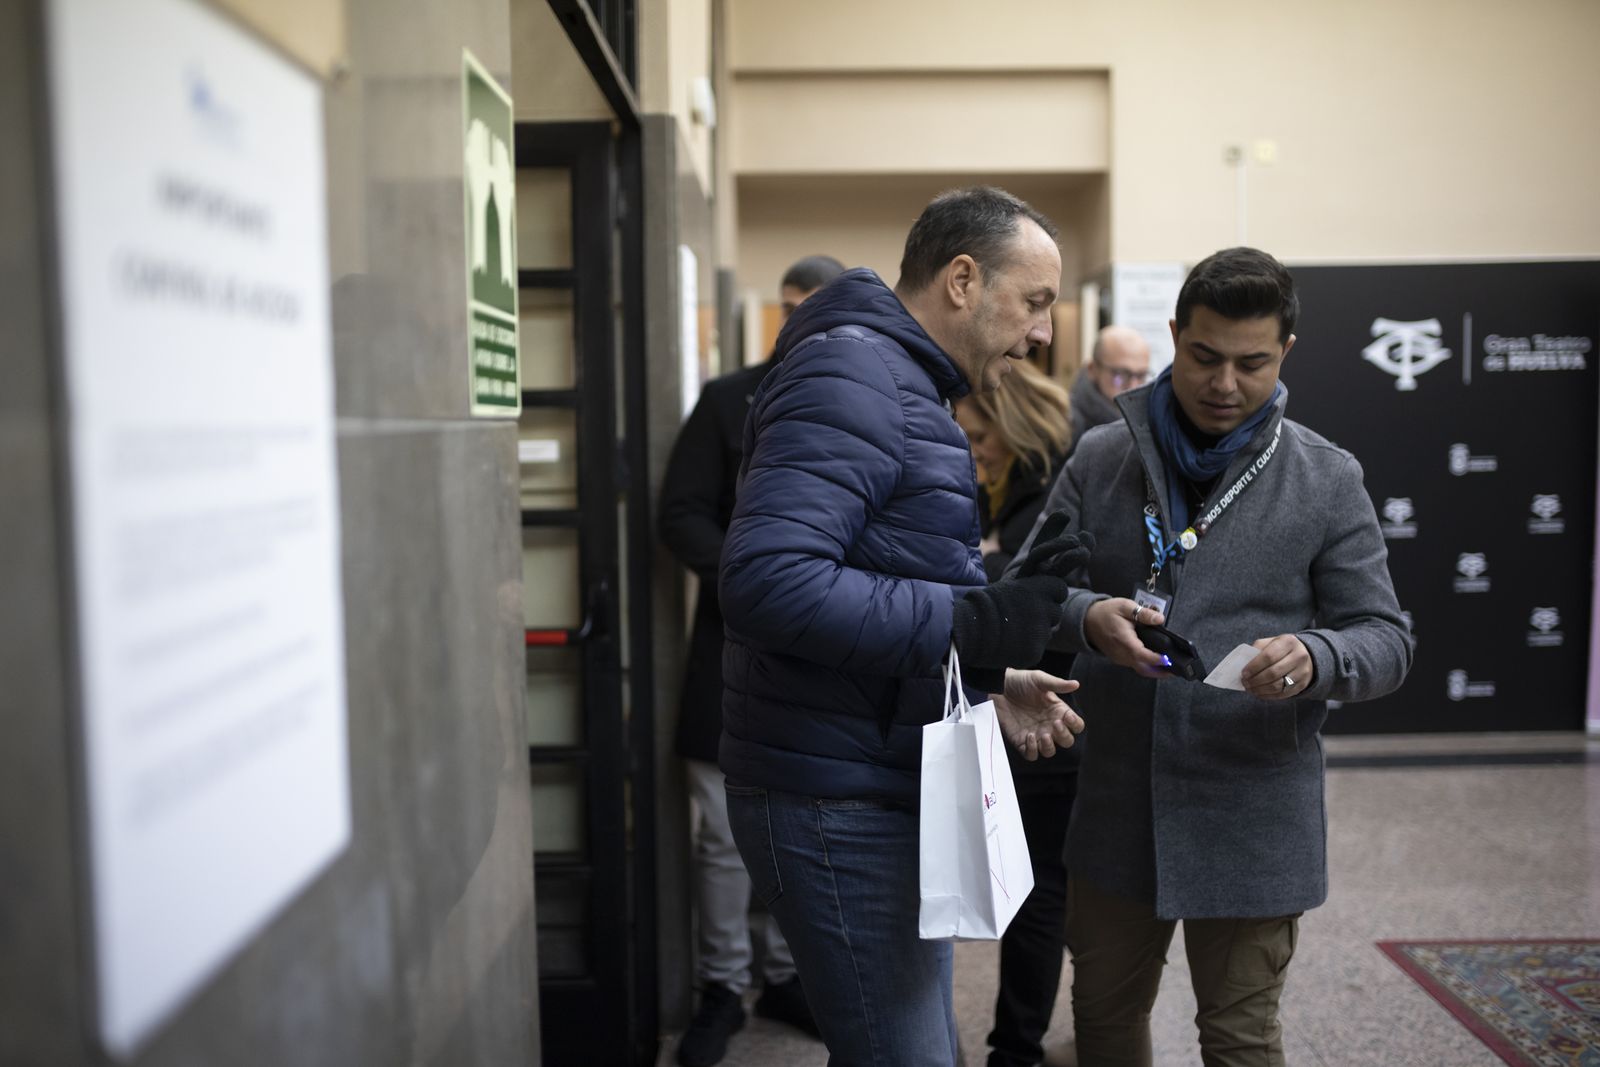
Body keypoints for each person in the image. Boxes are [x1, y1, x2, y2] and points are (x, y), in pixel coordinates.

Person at [1008, 247, 1415, 1066]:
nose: (1225, 382)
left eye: (1251, 362)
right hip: (1119, 803)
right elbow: (1023, 594)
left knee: (1238, 1036)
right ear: (1174, 337)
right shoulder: (1101, 457)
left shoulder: (1326, 478)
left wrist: (1316, 652)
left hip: (1253, 810)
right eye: (1204, 357)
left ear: (1285, 353)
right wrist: (1089, 618)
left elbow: (1386, 637)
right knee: (1106, 1021)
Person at [718, 186, 1092, 1067]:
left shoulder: (898, 380)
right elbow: (767, 580)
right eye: (1034, 302)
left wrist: (991, 674)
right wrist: (967, 626)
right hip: (830, 793)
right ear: (962, 279)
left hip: (866, 770)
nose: (1043, 333)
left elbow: (891, 580)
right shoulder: (857, 373)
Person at [658, 254, 845, 1067]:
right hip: (729, 647)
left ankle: (780, 976)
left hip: (819, 664)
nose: (799, 326)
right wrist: (757, 572)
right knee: (723, 839)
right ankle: (720, 987)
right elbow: (680, 513)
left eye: (816, 312)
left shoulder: (852, 402)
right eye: (790, 310)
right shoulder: (727, 399)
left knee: (789, 830)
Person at [955, 363, 1081, 1067]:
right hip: (1020, 702)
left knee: (1038, 894)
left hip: (1049, 711)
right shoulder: (1008, 486)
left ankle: (1017, 1047)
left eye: (981, 437)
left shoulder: (1049, 492)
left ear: (1015, 425)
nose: (975, 452)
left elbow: (1028, 587)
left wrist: (990, 564)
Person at [1070, 325, 1152, 449]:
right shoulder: (1068, 425)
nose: (1133, 386)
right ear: (1093, 369)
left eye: (1141, 375)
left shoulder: (1149, 421)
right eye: (1120, 375)